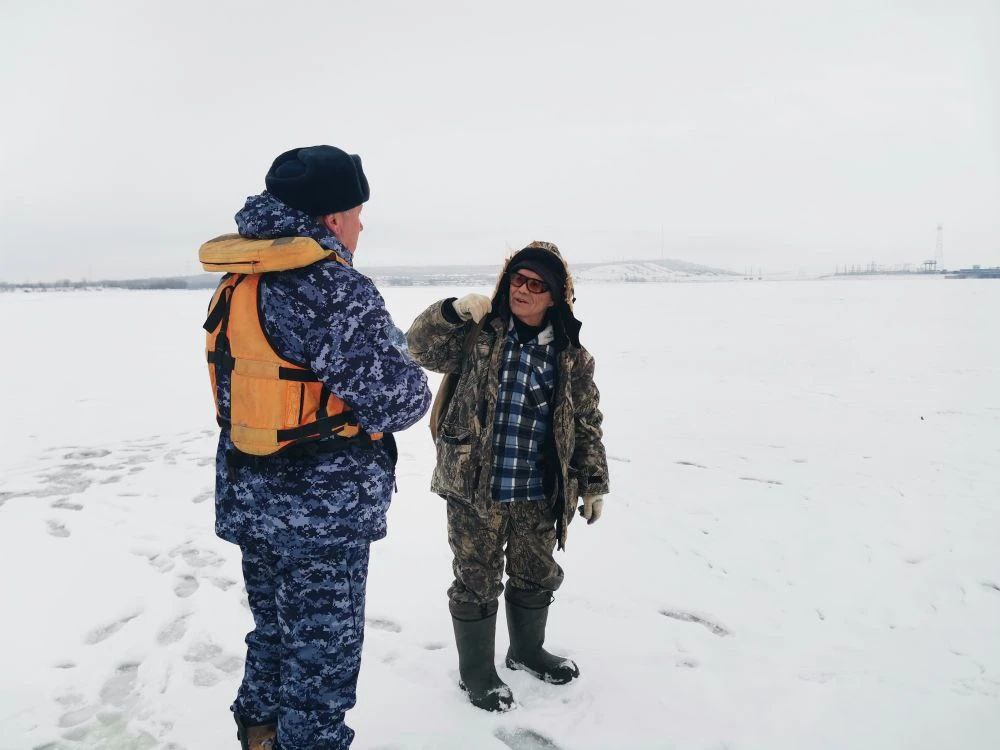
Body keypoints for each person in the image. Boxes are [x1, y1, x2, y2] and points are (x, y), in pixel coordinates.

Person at [200, 145, 431, 749]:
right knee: (321, 667)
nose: (360, 226)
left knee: (273, 633)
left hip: (253, 498)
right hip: (321, 518)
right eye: (356, 212)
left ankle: (258, 735)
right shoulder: (332, 287)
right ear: (332, 218)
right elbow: (399, 402)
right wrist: (406, 363)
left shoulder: (241, 278)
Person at [405, 241, 609, 711]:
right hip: (476, 485)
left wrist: (594, 482)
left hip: (540, 488)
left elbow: (586, 422)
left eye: (535, 285)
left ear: (555, 297)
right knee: (476, 578)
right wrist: (451, 313)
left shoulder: (572, 356)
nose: (522, 289)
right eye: (517, 279)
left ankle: (527, 651)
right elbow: (419, 348)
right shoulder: (479, 335)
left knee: (536, 573)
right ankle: (476, 671)